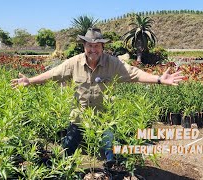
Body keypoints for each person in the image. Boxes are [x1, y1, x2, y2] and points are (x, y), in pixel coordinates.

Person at [11, 27, 184, 166]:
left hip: (104, 118)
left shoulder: (113, 63)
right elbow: (52, 74)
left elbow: (135, 74)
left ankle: (112, 168)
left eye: (96, 46)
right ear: (84, 46)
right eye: (89, 45)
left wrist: (159, 79)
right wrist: (30, 81)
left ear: (102, 47)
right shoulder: (74, 63)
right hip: (79, 117)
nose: (93, 49)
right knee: (65, 152)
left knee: (111, 156)